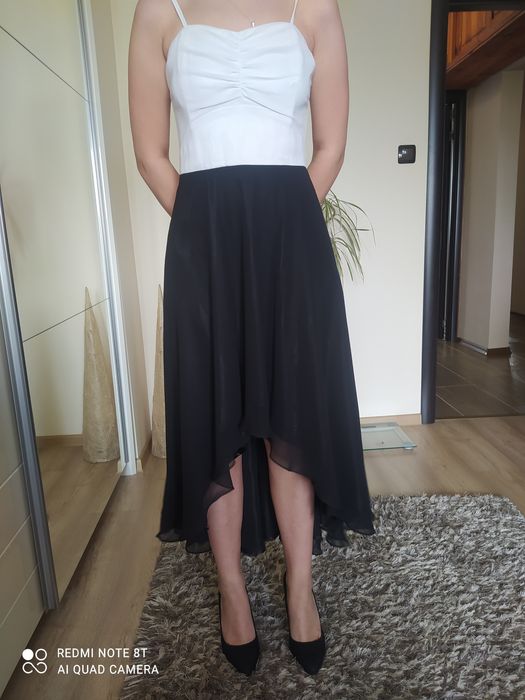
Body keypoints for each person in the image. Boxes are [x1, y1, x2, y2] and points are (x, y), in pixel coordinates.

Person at [128, 0, 376, 677]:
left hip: (290, 243)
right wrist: (209, 232)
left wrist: (280, 226)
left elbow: (329, 146)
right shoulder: (158, 10)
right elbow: (150, 154)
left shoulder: (315, 8)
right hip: (203, 243)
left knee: (290, 410)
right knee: (217, 416)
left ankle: (299, 588)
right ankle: (233, 592)